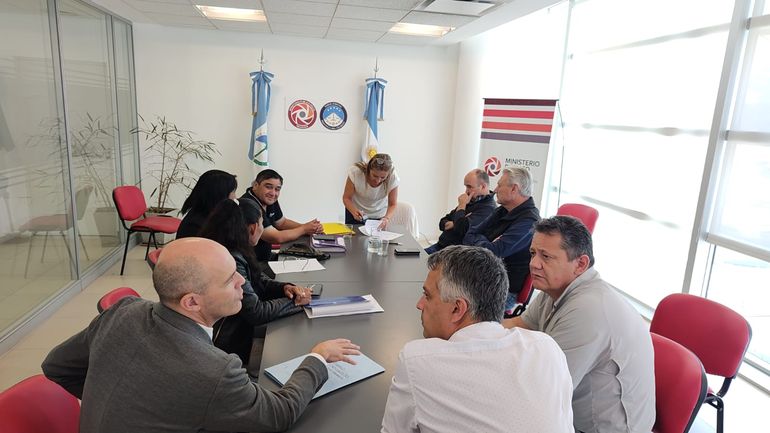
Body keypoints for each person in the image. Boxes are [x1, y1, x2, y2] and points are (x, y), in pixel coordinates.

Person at [42, 237, 361, 433]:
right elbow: (279, 413)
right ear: (191, 302)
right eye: (228, 279)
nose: (242, 282)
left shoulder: (123, 311)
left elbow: (56, 366)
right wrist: (318, 356)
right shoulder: (214, 370)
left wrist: (133, 400)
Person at [381, 245, 574, 433]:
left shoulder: (418, 362)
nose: (419, 304)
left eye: (427, 295)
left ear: (457, 309)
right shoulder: (547, 348)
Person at [503, 216, 655, 433]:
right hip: (570, 412)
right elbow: (518, 324)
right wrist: (467, 331)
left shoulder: (589, 310)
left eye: (546, 256)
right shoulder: (556, 288)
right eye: (533, 253)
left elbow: (541, 390)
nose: (534, 264)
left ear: (580, 264)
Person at [199, 199, 314, 365]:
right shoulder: (231, 259)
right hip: (227, 341)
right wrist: (296, 303)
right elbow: (256, 312)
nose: (262, 228)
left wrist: (285, 288)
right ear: (252, 228)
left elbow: (259, 279)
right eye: (262, 223)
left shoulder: (231, 247)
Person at [463, 167, 540, 311]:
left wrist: (484, 242)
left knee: (455, 307)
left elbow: (494, 252)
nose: (495, 189)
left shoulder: (529, 221)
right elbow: (470, 234)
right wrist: (485, 242)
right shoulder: (503, 209)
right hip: (482, 277)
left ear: (514, 189)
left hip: (504, 291)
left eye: (499, 185)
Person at [241, 169, 323, 261]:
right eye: (268, 187)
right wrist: (304, 229)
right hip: (254, 263)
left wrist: (308, 228)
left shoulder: (268, 199)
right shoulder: (248, 205)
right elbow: (276, 237)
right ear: (255, 185)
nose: (273, 193)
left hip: (266, 256)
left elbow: (281, 223)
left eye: (277, 189)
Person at [425, 169, 495, 254]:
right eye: (466, 186)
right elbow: (442, 222)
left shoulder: (488, 208)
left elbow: (460, 228)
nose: (466, 191)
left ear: (483, 186)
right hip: (440, 246)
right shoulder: (471, 201)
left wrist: (462, 205)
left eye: (469, 187)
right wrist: (455, 222)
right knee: (411, 257)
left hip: (454, 255)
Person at [343, 153, 399, 229]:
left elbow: (393, 204)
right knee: (353, 238)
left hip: (378, 215)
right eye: (375, 176)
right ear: (368, 169)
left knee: (376, 239)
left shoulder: (393, 177)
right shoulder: (356, 172)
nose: (378, 180)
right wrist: (354, 212)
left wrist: (386, 218)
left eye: (383, 177)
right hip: (355, 212)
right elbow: (346, 198)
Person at [176, 169, 238, 238]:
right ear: (220, 195)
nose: (235, 197)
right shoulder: (196, 227)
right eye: (233, 192)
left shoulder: (210, 216)